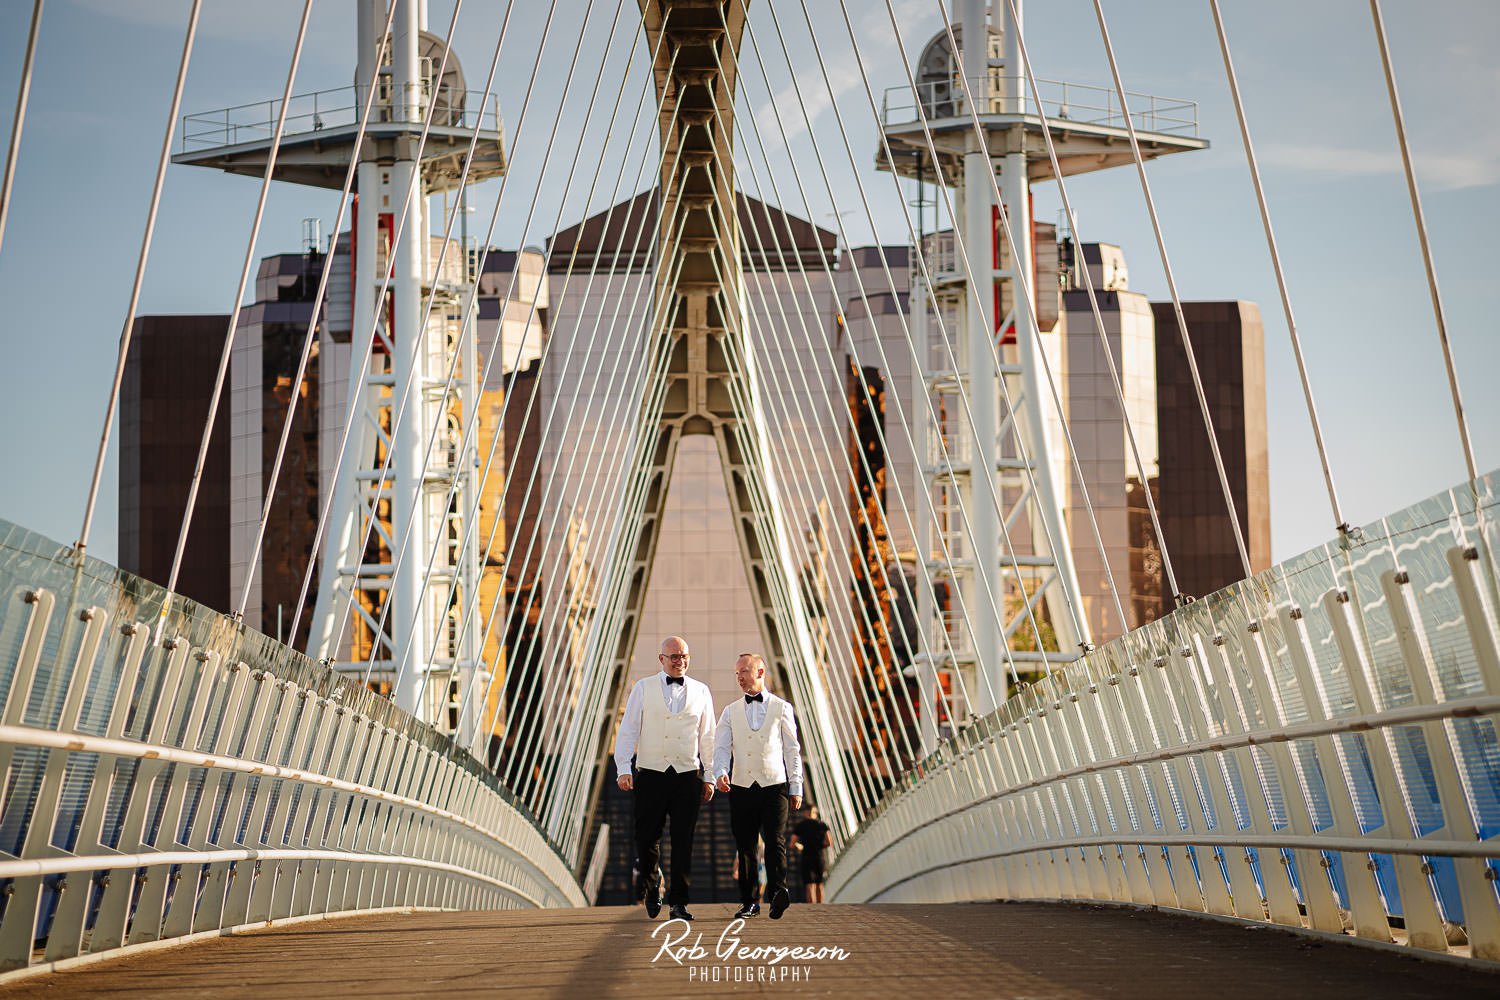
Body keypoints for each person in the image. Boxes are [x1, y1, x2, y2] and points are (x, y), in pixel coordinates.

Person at [615, 636, 716, 921]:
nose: (679, 661)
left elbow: (708, 736)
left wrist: (710, 775)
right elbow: (628, 729)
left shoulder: (702, 691)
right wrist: (624, 767)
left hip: (687, 775)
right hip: (650, 774)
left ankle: (679, 903)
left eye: (684, 656)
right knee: (647, 837)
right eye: (673, 656)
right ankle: (651, 887)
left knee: (683, 840)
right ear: (661, 659)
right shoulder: (643, 688)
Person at [713, 653, 802, 920]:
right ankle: (749, 901)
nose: (739, 677)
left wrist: (795, 785)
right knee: (746, 845)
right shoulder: (730, 711)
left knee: (775, 841)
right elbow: (720, 747)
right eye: (737, 672)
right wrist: (720, 772)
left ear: (760, 673)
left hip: (774, 785)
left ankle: (777, 892)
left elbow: (792, 749)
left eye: (744, 671)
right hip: (740, 786)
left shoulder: (782, 707)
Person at [790, 803, 832, 903]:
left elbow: (792, 843)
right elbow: (829, 842)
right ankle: (821, 906)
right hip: (819, 856)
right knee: (820, 883)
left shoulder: (800, 826)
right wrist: (819, 846)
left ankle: (812, 907)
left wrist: (801, 847)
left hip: (806, 856)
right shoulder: (822, 825)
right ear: (815, 813)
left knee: (809, 884)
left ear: (805, 813)